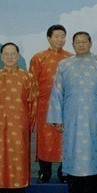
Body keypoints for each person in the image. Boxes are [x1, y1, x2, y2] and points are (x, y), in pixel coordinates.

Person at [47, 32, 97, 193]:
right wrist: (58, 119)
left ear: (90, 43)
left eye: (84, 41)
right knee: (73, 156)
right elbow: (57, 93)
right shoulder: (64, 65)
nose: (81, 45)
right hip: (71, 120)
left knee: (93, 156)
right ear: (72, 44)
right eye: (77, 42)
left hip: (95, 120)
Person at [0, 43, 38, 193]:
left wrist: (27, 125)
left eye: (13, 54)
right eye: (6, 54)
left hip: (20, 125)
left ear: (18, 56)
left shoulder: (27, 77)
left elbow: (33, 103)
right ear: (1, 57)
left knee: (19, 157)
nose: (10, 57)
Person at [28, 24, 72, 183]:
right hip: (44, 106)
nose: (60, 39)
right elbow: (32, 84)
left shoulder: (71, 57)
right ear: (49, 38)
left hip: (66, 106)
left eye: (63, 36)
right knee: (45, 139)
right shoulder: (38, 58)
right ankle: (44, 172)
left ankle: (64, 172)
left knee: (64, 138)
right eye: (57, 36)